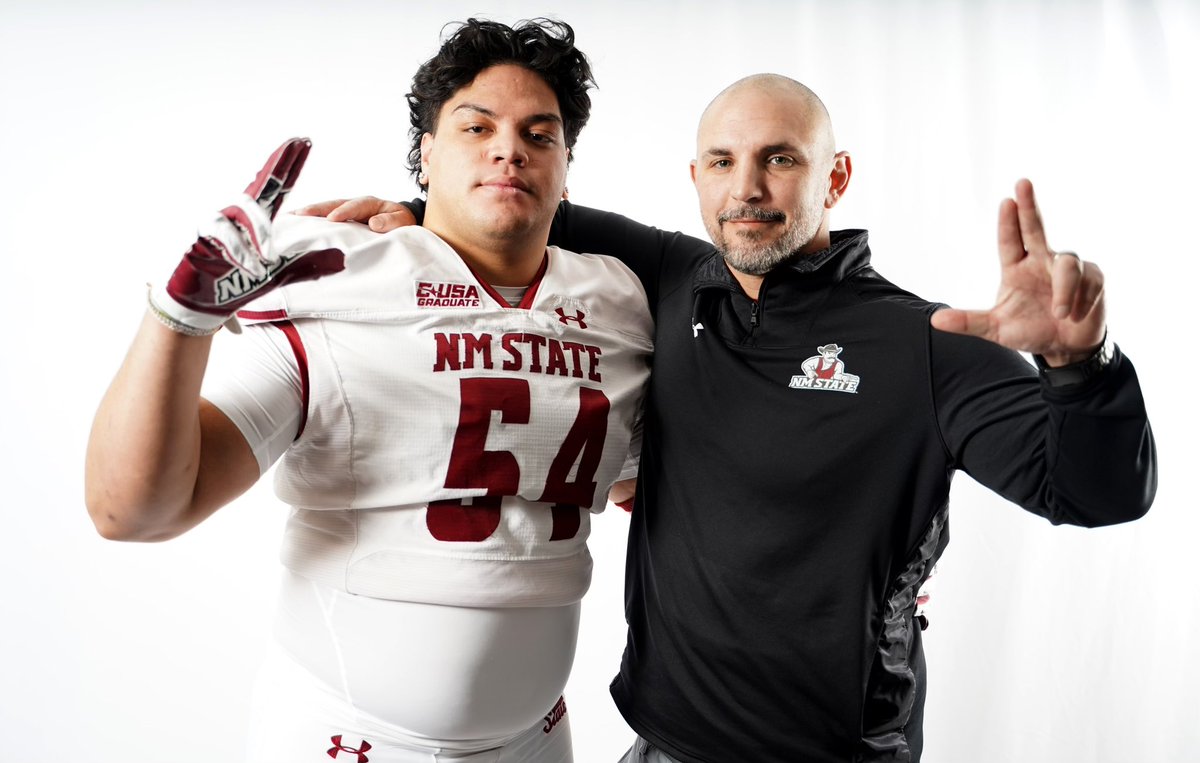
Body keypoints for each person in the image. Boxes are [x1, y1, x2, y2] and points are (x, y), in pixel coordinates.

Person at [304, 73, 1156, 762]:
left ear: (837, 176)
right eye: (722, 161)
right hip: (664, 742)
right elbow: (509, 207)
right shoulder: (670, 276)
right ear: (696, 178)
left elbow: (1093, 491)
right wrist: (400, 215)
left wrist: (1082, 367)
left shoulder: (926, 344)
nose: (746, 188)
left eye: (780, 159)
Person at [84, 19, 653, 763]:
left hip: (534, 736)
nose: (508, 147)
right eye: (475, 126)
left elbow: (651, 491)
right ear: (426, 154)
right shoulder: (344, 277)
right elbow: (130, 509)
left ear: (566, 165)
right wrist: (177, 323)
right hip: (344, 737)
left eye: (539, 134)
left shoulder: (617, 301)